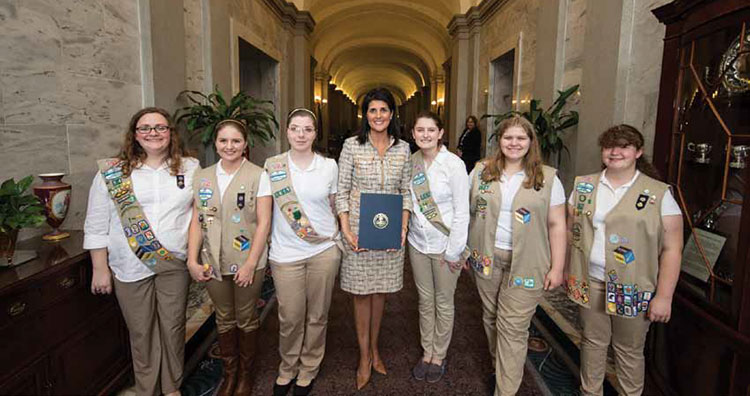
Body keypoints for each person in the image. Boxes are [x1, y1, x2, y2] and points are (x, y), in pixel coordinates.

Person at [84, 107, 200, 396]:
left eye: (160, 127)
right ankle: (147, 388)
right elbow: (96, 222)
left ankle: (172, 386)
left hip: (173, 262)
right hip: (128, 263)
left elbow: (200, 214)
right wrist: (100, 268)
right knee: (141, 331)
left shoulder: (190, 167)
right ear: (134, 135)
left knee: (173, 327)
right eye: (145, 128)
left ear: (170, 133)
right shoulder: (112, 173)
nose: (153, 133)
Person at [566, 124, 682, 396]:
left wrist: (664, 297)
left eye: (624, 146)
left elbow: (672, 249)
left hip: (633, 286)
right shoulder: (584, 185)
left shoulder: (658, 193)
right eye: (609, 146)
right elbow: (572, 229)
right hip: (590, 280)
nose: (615, 152)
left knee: (628, 351)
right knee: (592, 342)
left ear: (638, 152)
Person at [466, 115, 566, 395]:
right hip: (486, 257)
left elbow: (557, 225)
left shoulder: (547, 178)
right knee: (490, 317)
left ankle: (505, 390)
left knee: (512, 327)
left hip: (528, 263)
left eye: (521, 138)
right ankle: (502, 371)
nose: (514, 143)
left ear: (531, 142)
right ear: (500, 141)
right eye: (508, 138)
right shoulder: (481, 172)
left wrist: (557, 267)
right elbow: (467, 212)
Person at [258, 108, 341, 396]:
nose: (301, 134)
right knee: (290, 316)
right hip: (285, 253)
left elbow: (334, 205)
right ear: (287, 132)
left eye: (307, 129)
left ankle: (309, 368)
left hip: (323, 250)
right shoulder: (272, 166)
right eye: (295, 128)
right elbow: (264, 212)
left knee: (318, 314)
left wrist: (342, 236)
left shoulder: (329, 166)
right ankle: (288, 366)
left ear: (315, 133)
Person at [186, 119, 271, 396]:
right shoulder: (203, 176)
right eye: (223, 141)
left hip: (248, 260)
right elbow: (198, 220)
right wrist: (192, 259)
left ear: (245, 144)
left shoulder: (259, 175)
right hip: (212, 260)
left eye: (236, 141)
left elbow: (263, 223)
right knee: (223, 317)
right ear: (216, 143)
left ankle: (246, 376)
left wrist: (250, 264)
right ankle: (230, 374)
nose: (229, 146)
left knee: (245, 317)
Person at [336, 87, 412, 390]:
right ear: (364, 115)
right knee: (360, 295)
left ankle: (375, 348)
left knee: (380, 293)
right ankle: (363, 355)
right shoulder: (351, 146)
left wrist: (404, 226)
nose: (378, 116)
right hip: (358, 230)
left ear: (392, 114)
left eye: (383, 110)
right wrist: (345, 227)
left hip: (390, 231)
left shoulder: (403, 148)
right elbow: (342, 190)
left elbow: (406, 191)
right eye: (372, 110)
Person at [407, 111, 470, 383]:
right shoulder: (411, 163)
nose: (425, 135)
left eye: (431, 130)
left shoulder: (454, 164)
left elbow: (462, 212)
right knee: (425, 300)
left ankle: (439, 354)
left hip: (446, 245)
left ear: (441, 133)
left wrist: (454, 251)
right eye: (420, 130)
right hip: (418, 244)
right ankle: (426, 350)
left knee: (443, 301)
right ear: (413, 134)